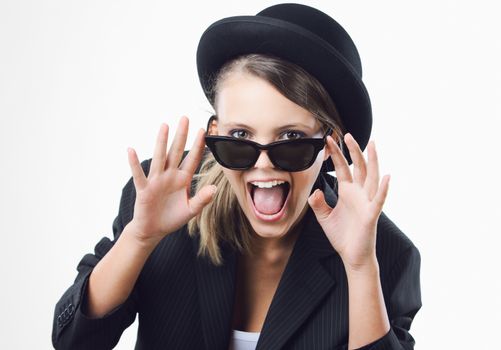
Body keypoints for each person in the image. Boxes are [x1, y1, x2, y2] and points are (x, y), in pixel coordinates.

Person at [52, 3, 421, 349]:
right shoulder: (160, 194)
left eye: (290, 138)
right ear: (217, 131)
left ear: (330, 145)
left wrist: (359, 269)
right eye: (241, 138)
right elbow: (72, 341)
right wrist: (139, 239)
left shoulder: (384, 252)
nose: (263, 165)